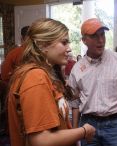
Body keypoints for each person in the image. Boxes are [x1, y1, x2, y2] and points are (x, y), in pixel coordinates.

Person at [7, 18, 95, 146]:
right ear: (42, 45)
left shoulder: (44, 74)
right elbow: (41, 140)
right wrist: (84, 131)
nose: (69, 49)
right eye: (64, 43)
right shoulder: (36, 77)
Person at [68, 18, 117, 146]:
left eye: (102, 35)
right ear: (84, 40)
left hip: (115, 125)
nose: (100, 40)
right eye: (94, 36)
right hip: (87, 124)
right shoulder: (77, 68)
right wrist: (75, 133)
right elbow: (75, 103)